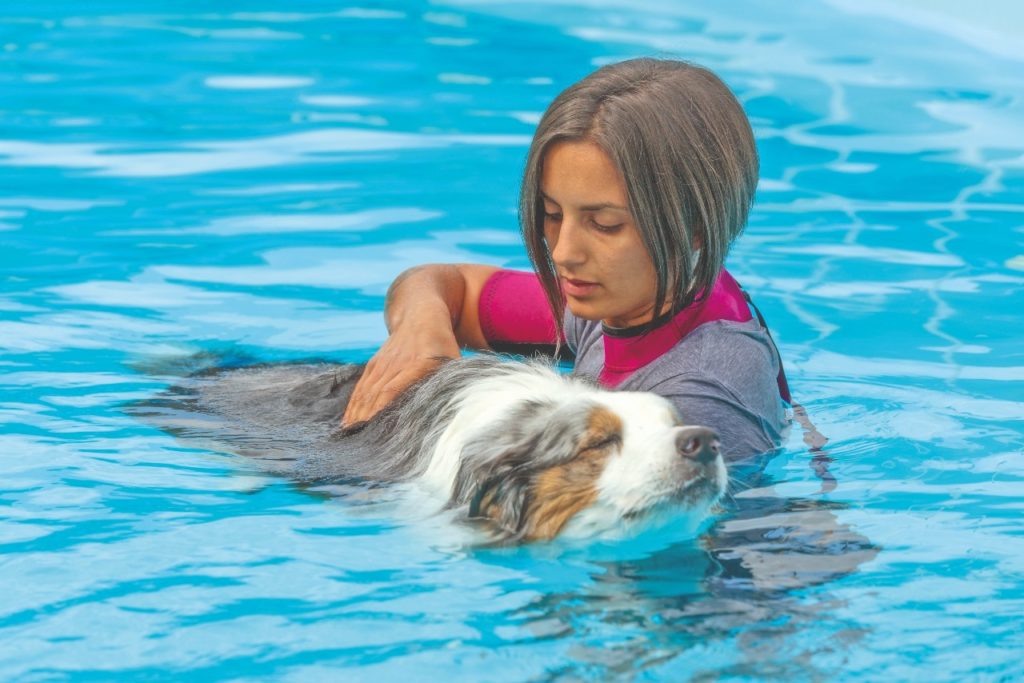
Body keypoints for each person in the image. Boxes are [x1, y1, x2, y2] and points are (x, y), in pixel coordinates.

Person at [342, 58, 790, 460]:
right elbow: (440, 282)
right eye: (552, 214)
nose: (563, 253)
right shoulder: (641, 295)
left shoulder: (700, 406)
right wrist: (420, 333)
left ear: (694, 228)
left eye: (605, 225)